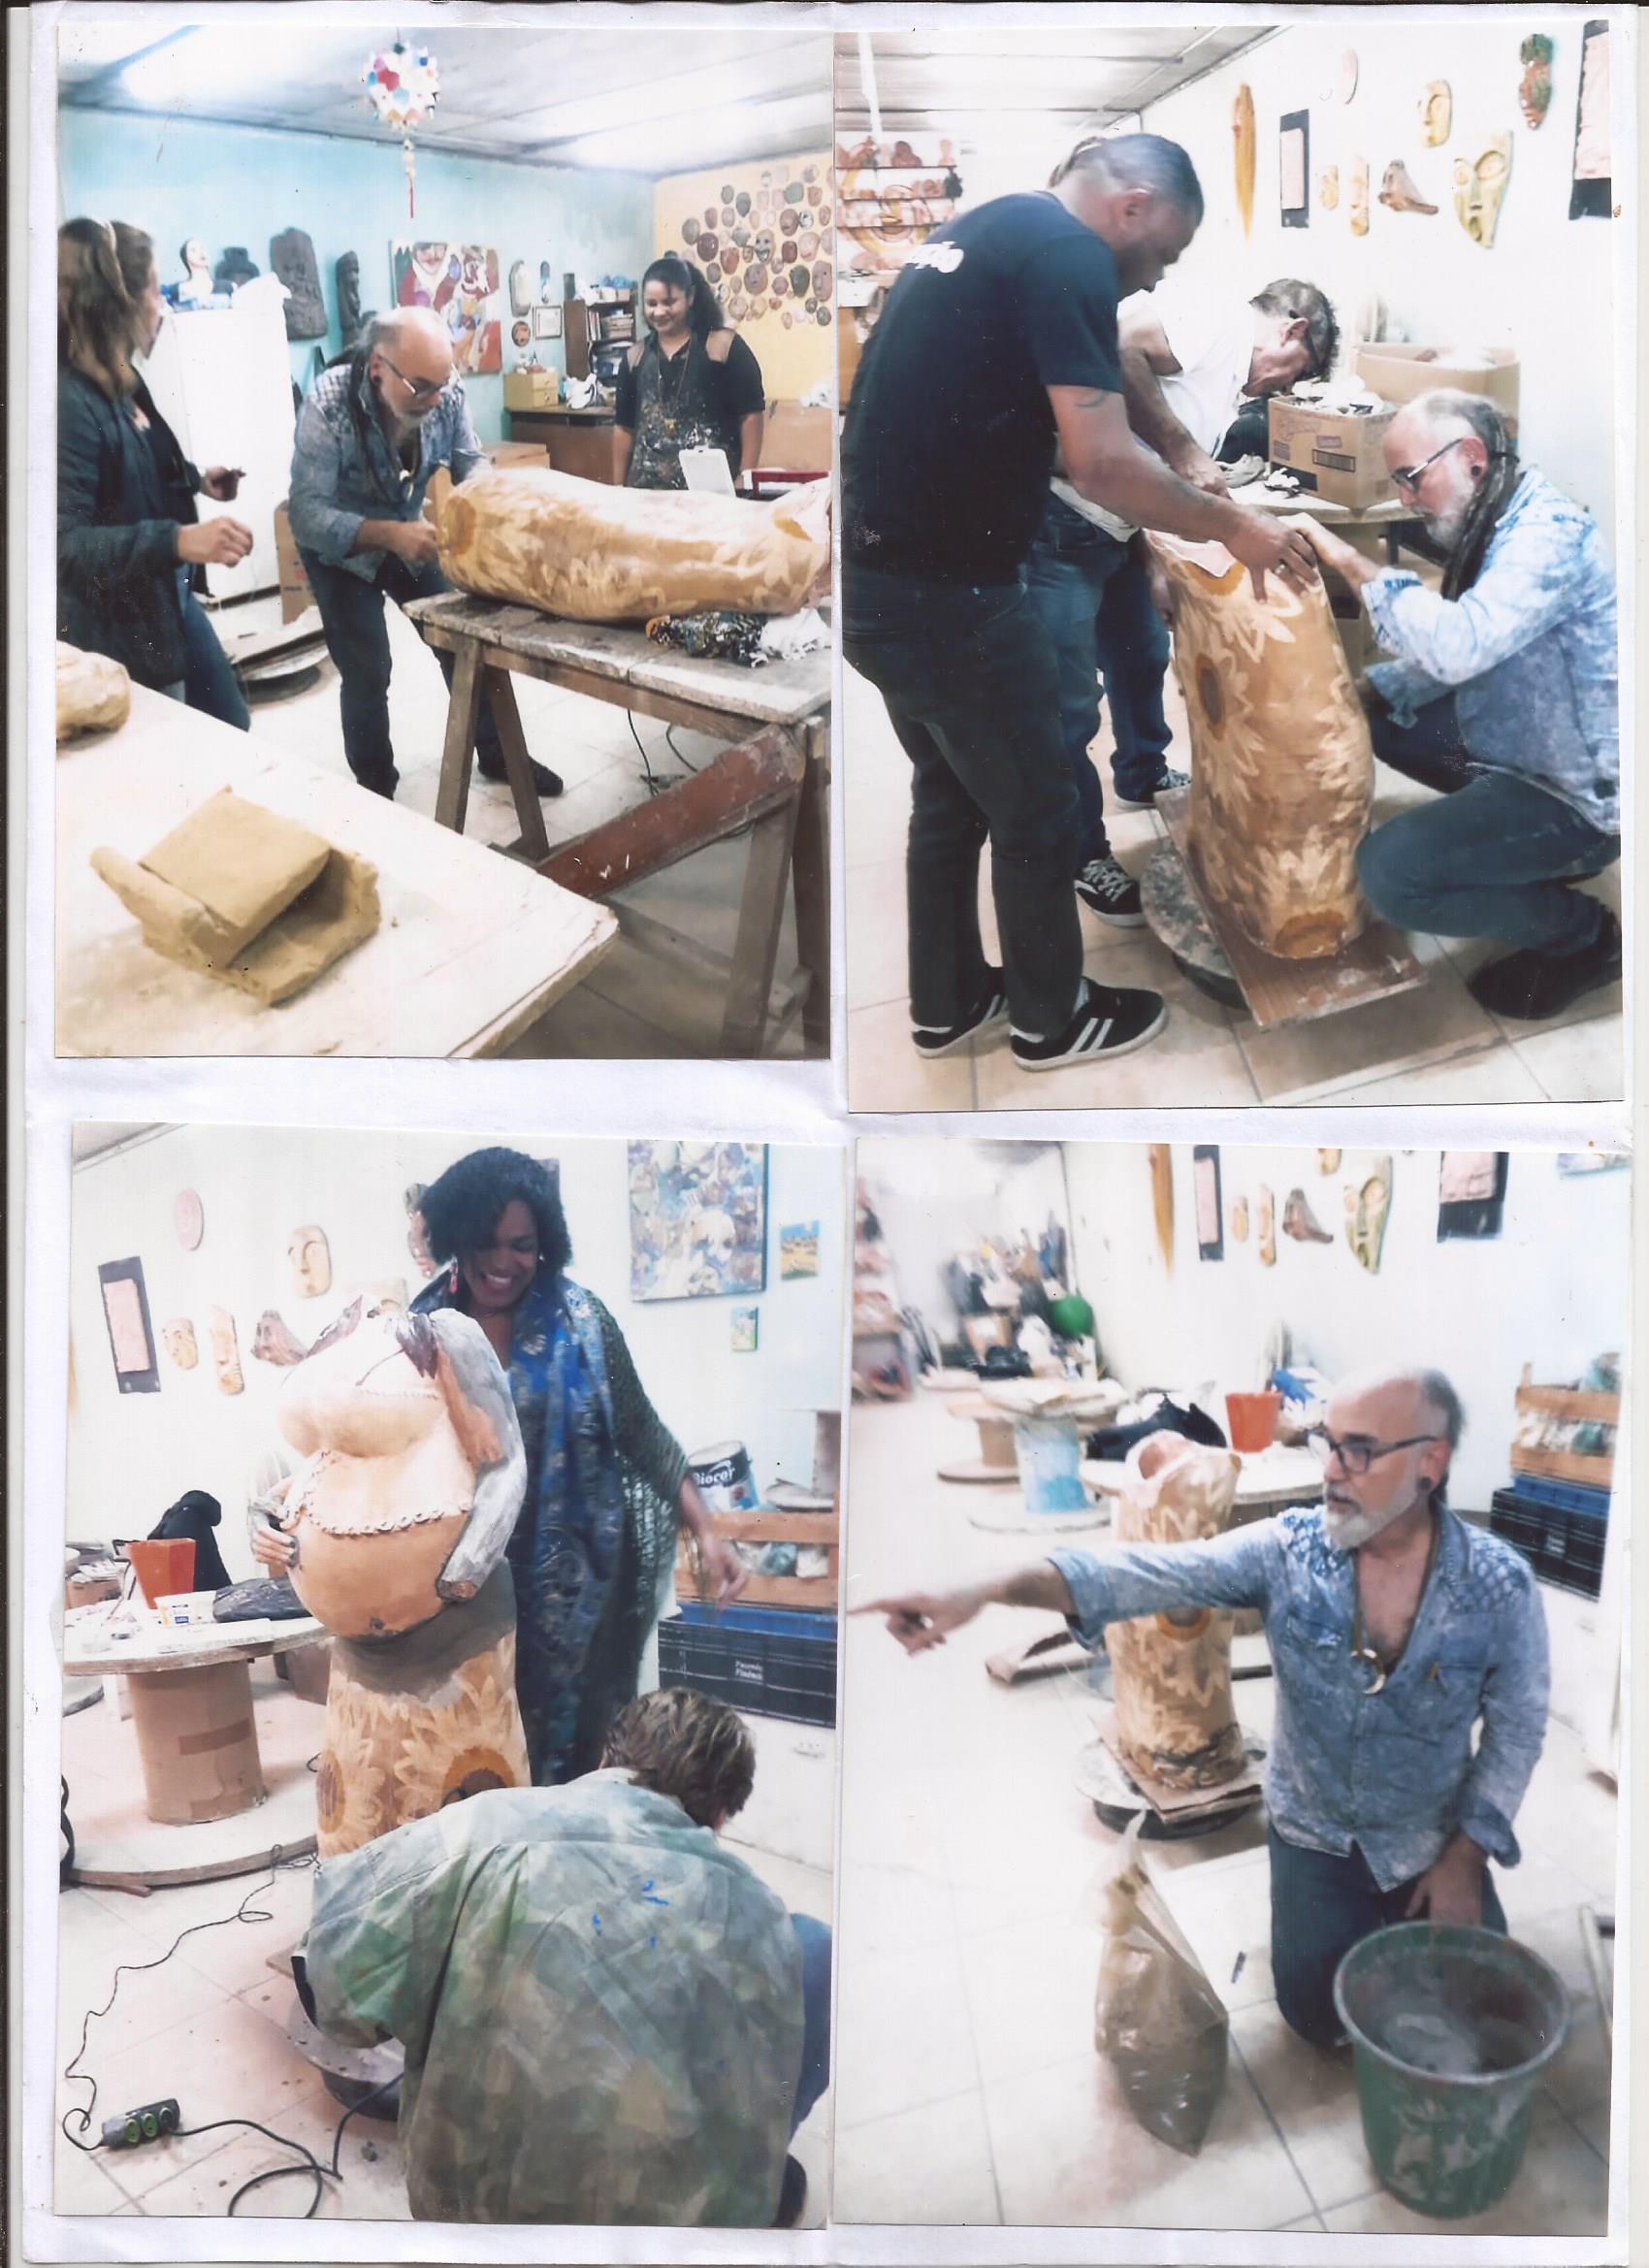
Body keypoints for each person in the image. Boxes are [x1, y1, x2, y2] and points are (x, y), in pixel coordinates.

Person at [861, 1366, 1549, 2051]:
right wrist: (983, 1587)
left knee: (1472, 2006)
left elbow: (1517, 1730)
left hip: (1430, 1833)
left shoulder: (1498, 1588)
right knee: (1319, 2016)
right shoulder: (1289, 1551)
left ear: (1431, 1461)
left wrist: (1467, 1855)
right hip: (1315, 1832)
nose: (1331, 1471)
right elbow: (1141, 1573)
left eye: (1359, 1451)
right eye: (1328, 1443)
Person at [840, 135, 1317, 1076]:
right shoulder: (1068, 255)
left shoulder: (984, 229)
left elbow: (1071, 410)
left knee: (949, 795)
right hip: (952, 597)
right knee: (1036, 807)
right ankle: (1049, 1021)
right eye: (1162, 251)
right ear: (1132, 206)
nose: (1155, 276)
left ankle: (946, 1002)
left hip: (877, 583)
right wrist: (1235, 527)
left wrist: (1173, 487)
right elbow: (1098, 463)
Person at [262, 1147, 747, 1785]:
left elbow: (643, 1434)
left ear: (545, 1242)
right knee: (473, 1757)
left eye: (522, 1245)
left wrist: (708, 1532)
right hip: (458, 1597)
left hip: (574, 1603)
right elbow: (367, 1444)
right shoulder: (417, 1332)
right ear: (455, 1237)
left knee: (573, 1756)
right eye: (485, 1242)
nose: (503, 1261)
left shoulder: (586, 1324)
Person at [299, 1688, 830, 2225]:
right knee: (815, 1946)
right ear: (718, 1817)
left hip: (472, 2219)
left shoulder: (480, 1828)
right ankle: (755, 2178)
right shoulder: (758, 1909)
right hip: (686, 2242)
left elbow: (333, 1995)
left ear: (607, 1761)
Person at [1024, 274, 1338, 923]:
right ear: (1292, 328)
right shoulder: (1222, 319)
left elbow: (1146, 466)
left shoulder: (1225, 380)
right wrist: (1185, 449)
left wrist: (1154, 561)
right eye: (1295, 372)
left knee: (1142, 654)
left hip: (1118, 527)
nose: (1278, 389)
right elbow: (1115, 347)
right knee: (1068, 705)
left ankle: (1143, 773)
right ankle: (1081, 855)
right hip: (1059, 522)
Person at [1298, 392, 1620, 1022]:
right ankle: (1511, 856)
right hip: (1518, 746)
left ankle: (1588, 937)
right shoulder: (1497, 517)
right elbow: (1460, 650)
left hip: (1579, 801)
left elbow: (1458, 647)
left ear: (1472, 457)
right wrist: (1364, 692)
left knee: (1390, 875)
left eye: (1411, 479)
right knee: (1373, 710)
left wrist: (1348, 561)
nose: (1406, 501)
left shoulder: (1546, 537)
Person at [287, 306, 562, 801]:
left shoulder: (444, 391)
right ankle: (375, 786)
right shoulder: (328, 402)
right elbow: (306, 515)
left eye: (443, 383)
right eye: (421, 388)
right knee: (368, 668)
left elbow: (469, 462)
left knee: (464, 641)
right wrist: (390, 535)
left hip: (407, 530)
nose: (437, 400)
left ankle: (499, 754)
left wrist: (498, 507)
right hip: (339, 552)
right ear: (378, 368)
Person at [57, 217, 255, 705]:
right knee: (193, 732)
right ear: (120, 300)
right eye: (153, 289)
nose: (161, 305)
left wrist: (198, 480)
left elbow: (139, 458)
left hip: (164, 592)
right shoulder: (69, 400)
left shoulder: (118, 375)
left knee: (231, 718)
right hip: (119, 624)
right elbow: (62, 548)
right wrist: (177, 539)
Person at [613, 254, 765, 490]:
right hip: (647, 493)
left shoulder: (723, 348)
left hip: (712, 492)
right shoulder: (634, 357)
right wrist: (617, 487)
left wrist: (745, 476)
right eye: (651, 304)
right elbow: (623, 428)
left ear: (690, 297)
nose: (659, 312)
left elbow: (751, 414)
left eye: (669, 302)